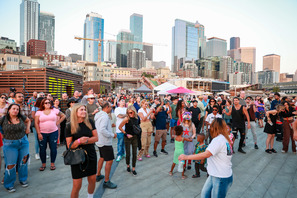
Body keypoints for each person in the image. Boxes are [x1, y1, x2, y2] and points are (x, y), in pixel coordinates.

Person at [179, 118, 233, 198]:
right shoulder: (224, 138)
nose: (210, 129)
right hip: (215, 174)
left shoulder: (218, 140)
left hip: (220, 177)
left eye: (211, 126)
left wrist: (186, 157)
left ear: (215, 128)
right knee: (205, 195)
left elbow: (206, 154)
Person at [65, 103, 98, 198]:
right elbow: (69, 146)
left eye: (84, 109)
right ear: (75, 112)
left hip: (90, 154)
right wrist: (79, 141)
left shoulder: (90, 122)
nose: (84, 111)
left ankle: (90, 196)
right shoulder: (69, 126)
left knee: (92, 179)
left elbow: (96, 138)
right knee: (77, 184)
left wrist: (86, 140)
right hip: (76, 157)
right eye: (81, 110)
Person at [0, 104, 31, 192]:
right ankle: (9, 184)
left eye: (17, 109)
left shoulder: (21, 117)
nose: (16, 111)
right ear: (9, 110)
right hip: (10, 144)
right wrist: (2, 134)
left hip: (23, 142)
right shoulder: (3, 119)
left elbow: (28, 121)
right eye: (13, 109)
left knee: (23, 162)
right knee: (11, 165)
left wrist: (28, 129)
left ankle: (23, 179)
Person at [35, 98, 66, 171]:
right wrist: (39, 133)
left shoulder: (54, 110)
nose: (48, 104)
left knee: (53, 148)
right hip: (42, 133)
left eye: (49, 102)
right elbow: (36, 123)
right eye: (46, 103)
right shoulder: (39, 112)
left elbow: (63, 116)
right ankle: (43, 164)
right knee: (42, 149)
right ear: (43, 104)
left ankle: (52, 164)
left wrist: (58, 122)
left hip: (53, 132)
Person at [94, 102, 117, 189]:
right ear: (107, 107)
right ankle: (106, 181)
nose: (111, 108)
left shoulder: (99, 114)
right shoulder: (105, 116)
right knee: (109, 160)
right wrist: (112, 135)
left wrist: (110, 126)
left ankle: (98, 174)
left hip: (100, 141)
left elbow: (100, 127)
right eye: (110, 107)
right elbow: (103, 129)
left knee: (102, 157)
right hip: (105, 142)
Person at [118, 106, 139, 176]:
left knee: (134, 153)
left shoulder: (136, 118)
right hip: (127, 138)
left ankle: (133, 168)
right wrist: (126, 134)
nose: (129, 114)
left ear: (134, 111)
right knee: (128, 153)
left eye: (130, 112)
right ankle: (128, 165)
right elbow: (120, 127)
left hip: (135, 137)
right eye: (128, 112)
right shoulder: (127, 118)